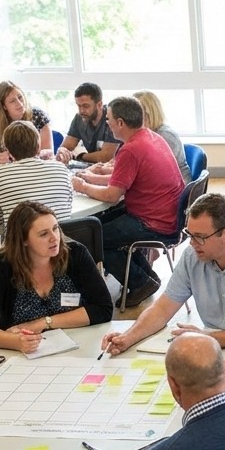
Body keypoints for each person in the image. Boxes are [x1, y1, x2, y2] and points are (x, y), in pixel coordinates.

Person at [100, 194, 225, 355]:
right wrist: (128, 337)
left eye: (200, 237)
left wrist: (209, 338)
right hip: (213, 349)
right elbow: (162, 309)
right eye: (189, 235)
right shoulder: (193, 256)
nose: (192, 243)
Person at [74, 96, 186, 308]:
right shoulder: (150, 137)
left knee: (93, 238)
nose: (107, 124)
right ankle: (144, 277)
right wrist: (89, 178)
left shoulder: (130, 149)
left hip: (155, 222)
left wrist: (82, 187)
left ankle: (140, 281)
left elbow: (111, 195)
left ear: (121, 123)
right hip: (167, 215)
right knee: (98, 224)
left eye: (109, 120)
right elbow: (122, 179)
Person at [0, 202, 114, 353]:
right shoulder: (2, 266)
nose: (54, 238)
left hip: (79, 344)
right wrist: (15, 342)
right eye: (44, 234)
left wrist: (43, 323)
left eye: (55, 229)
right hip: (25, 353)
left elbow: (103, 309)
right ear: (24, 240)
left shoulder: (75, 254)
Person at [0, 121, 73, 226]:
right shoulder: (61, 168)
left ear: (8, 151)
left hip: (20, 241)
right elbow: (67, 207)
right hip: (60, 240)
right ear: (39, 147)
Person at [0, 81, 52, 164]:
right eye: (12, 101)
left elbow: (48, 152)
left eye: (20, 97)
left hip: (35, 167)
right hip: (9, 169)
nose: (19, 103)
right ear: (3, 106)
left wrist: (40, 154)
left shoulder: (39, 116)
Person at [134, 90, 192, 183]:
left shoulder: (166, 136)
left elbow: (158, 171)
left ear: (148, 114)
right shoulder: (143, 134)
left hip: (175, 185)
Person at [56, 82, 117, 164]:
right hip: (94, 167)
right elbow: (67, 146)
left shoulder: (111, 118)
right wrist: (62, 150)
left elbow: (106, 156)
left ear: (99, 105)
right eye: (79, 106)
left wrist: (80, 156)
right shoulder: (79, 118)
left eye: (86, 106)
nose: (81, 111)